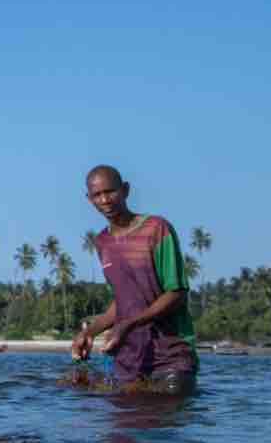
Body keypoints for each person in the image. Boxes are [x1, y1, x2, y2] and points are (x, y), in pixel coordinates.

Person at [71, 165, 199, 395]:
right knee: (124, 429)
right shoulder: (102, 243)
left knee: (164, 428)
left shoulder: (156, 229)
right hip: (129, 362)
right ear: (89, 199)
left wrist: (129, 324)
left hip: (171, 358)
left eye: (110, 192)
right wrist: (90, 332)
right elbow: (122, 300)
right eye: (97, 195)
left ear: (125, 190)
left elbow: (176, 292)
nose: (105, 200)